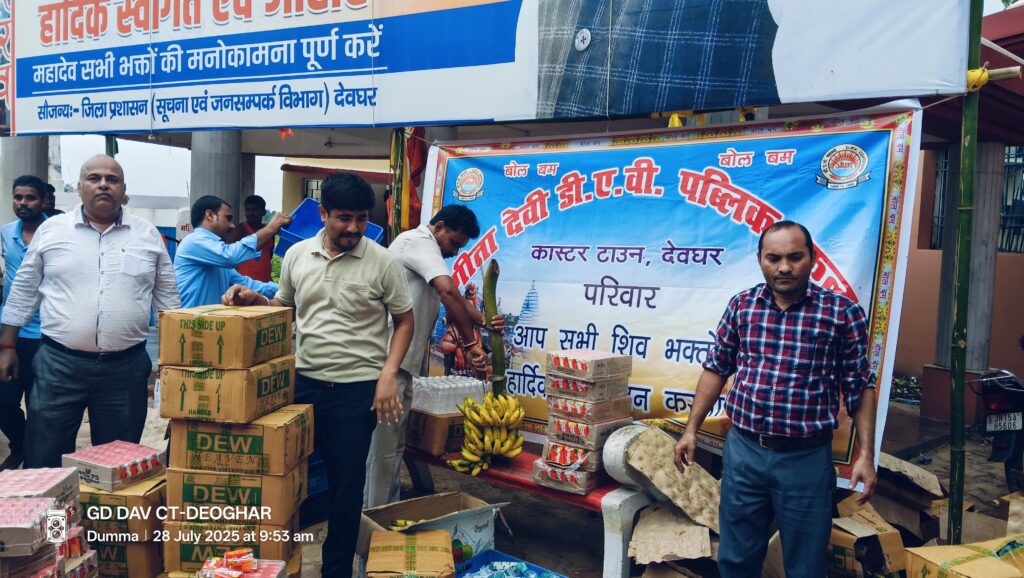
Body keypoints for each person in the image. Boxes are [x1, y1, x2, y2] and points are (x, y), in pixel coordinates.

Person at [222, 171, 413, 578]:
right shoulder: (297, 256)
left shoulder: (383, 262)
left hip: (356, 393)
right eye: (344, 218)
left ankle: (336, 571)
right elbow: (286, 308)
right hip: (302, 387)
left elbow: (405, 321)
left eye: (361, 219)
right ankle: (276, 562)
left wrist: (388, 374)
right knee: (285, 479)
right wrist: (255, 299)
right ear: (323, 213)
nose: (354, 228)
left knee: (346, 488)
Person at [673, 220, 877, 578]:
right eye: (774, 258)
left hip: (805, 460)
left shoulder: (842, 313)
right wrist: (691, 429)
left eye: (795, 257)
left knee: (805, 565)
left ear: (812, 259)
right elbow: (716, 369)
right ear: (760, 260)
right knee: (735, 558)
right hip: (744, 453)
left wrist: (866, 455)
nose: (784, 267)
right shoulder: (742, 306)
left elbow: (860, 386)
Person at [0, 155, 180, 468]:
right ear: (79, 187)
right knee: (45, 458)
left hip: (125, 369)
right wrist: (7, 346)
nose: (103, 185)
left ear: (123, 189)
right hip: (58, 365)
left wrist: (174, 360)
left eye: (112, 179)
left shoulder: (147, 235)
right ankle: (52, 501)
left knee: (118, 463)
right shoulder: (52, 231)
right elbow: (24, 291)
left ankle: (104, 502)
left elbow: (168, 301)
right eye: (94, 178)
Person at [363, 205, 505, 508]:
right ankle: (373, 520)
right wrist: (472, 345)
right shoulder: (417, 242)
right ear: (439, 227)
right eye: (454, 243)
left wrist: (483, 320)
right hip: (388, 362)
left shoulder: (426, 250)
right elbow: (448, 293)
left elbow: (456, 298)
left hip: (403, 363)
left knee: (394, 447)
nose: (454, 252)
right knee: (383, 450)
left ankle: (386, 510)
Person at [0, 176, 49, 470]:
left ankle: (32, 461)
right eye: (18, 197)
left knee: (38, 405)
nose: (22, 203)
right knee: (4, 401)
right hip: (10, 332)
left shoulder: (55, 232)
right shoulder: (6, 232)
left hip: (46, 334)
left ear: (43, 201)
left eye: (29, 197)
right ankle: (18, 445)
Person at [174, 195, 289, 308]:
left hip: (209, 319)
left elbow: (248, 284)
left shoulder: (218, 256)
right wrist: (271, 228)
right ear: (210, 215)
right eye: (228, 218)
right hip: (189, 319)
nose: (232, 225)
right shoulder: (194, 241)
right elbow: (230, 256)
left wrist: (288, 289)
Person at [225, 195, 275, 282]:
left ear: (263, 212)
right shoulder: (240, 230)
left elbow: (268, 256)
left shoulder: (269, 232)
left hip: (265, 283)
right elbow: (228, 256)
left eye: (254, 210)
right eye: (248, 210)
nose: (250, 213)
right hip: (243, 284)